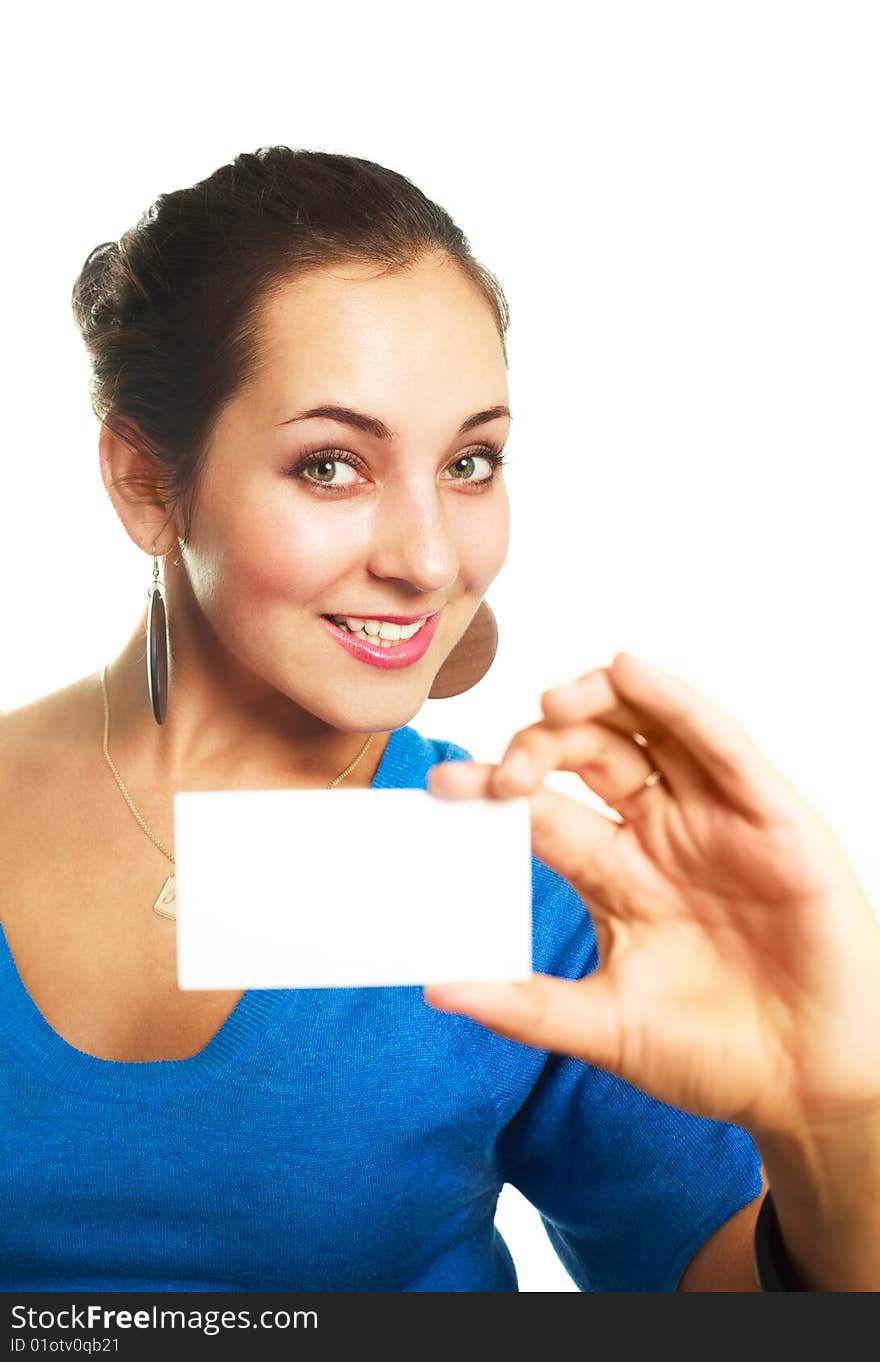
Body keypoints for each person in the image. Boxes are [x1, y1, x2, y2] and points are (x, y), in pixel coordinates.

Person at [0, 147, 877, 1294]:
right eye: (331, 465)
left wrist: (836, 1117)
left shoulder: (508, 875)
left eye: (470, 462)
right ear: (145, 481)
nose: (426, 559)